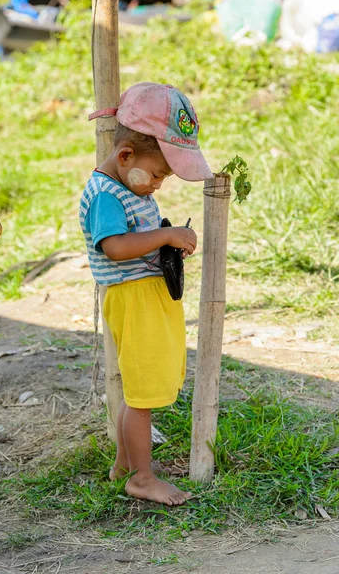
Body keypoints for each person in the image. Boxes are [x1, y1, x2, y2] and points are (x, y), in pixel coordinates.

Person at [80, 82, 212, 506]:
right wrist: (167, 234)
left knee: (138, 390)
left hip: (143, 295)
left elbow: (135, 239)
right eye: (157, 174)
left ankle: (125, 463)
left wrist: (165, 245)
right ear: (125, 157)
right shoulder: (106, 195)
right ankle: (141, 476)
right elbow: (116, 247)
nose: (158, 184)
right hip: (133, 299)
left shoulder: (126, 186)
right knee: (141, 397)